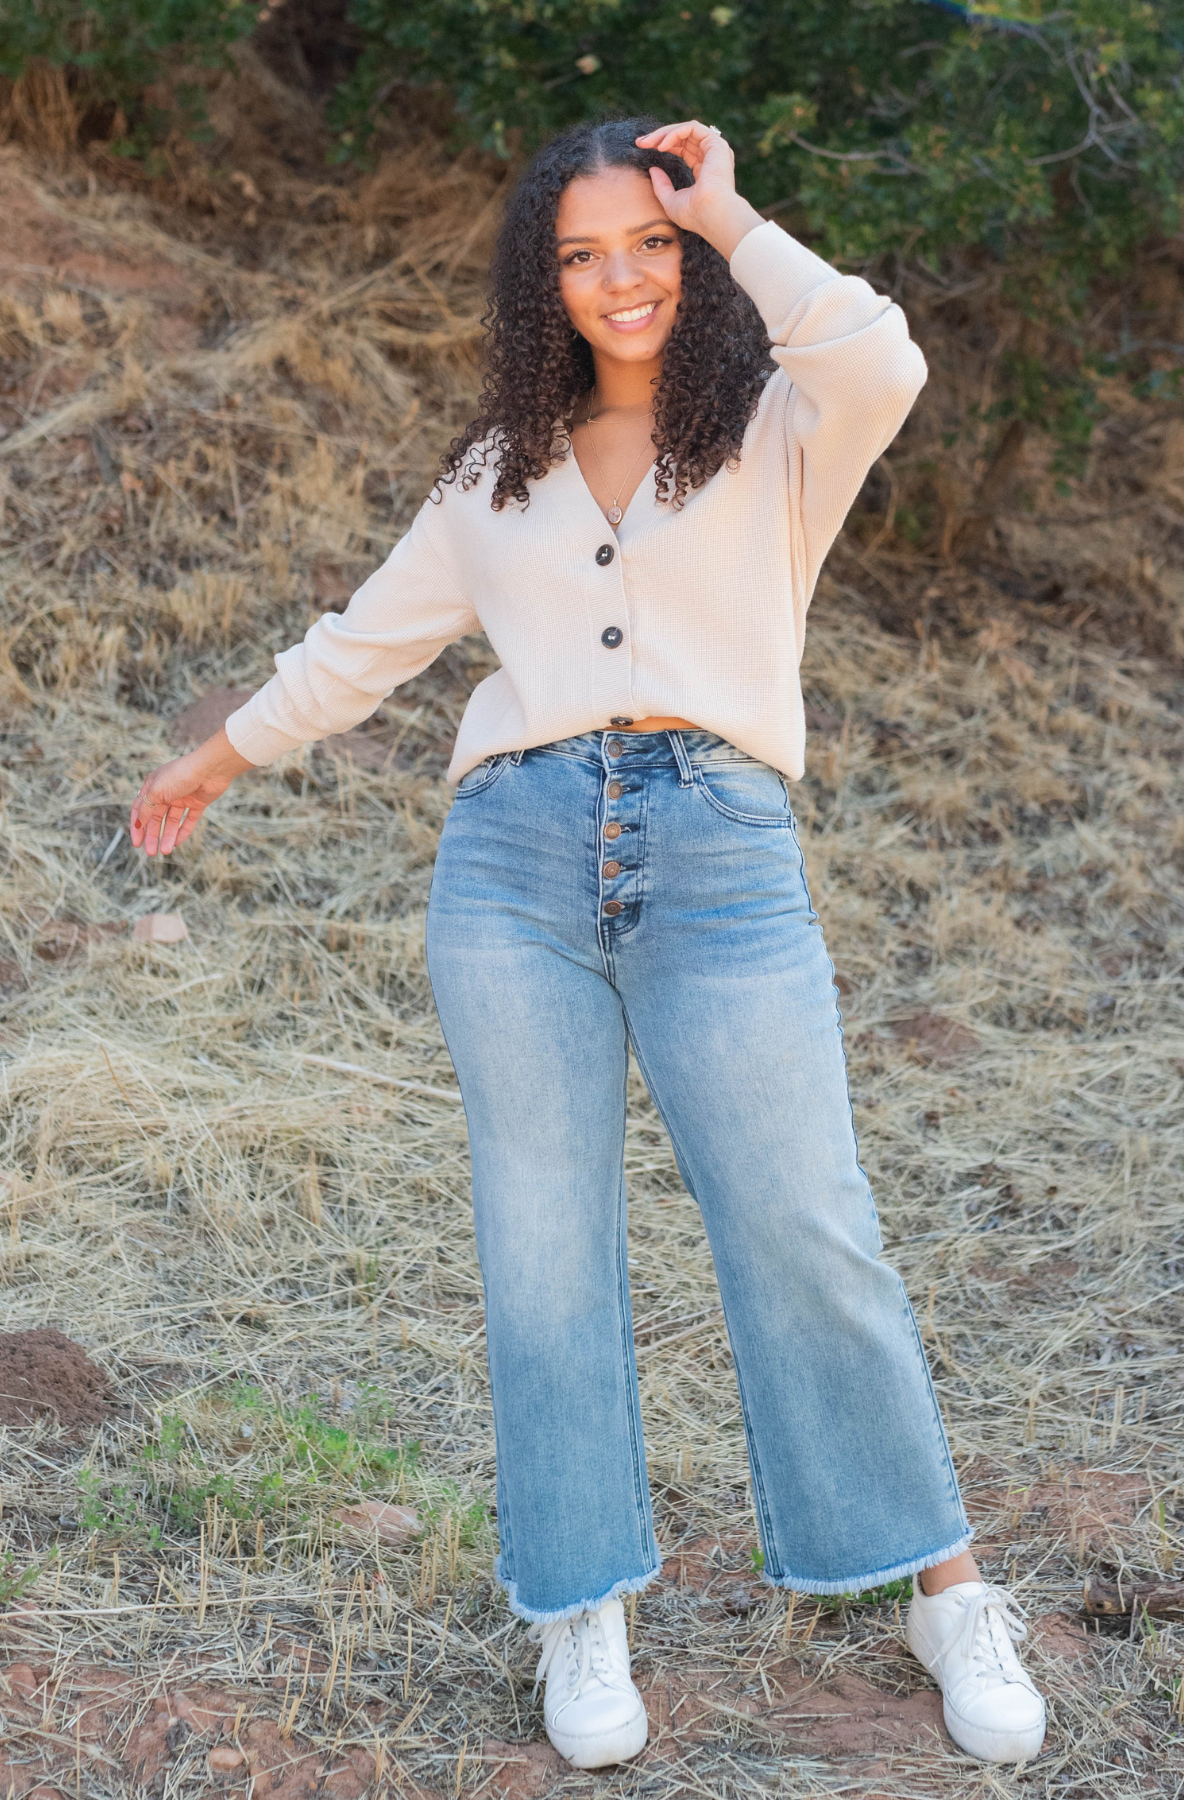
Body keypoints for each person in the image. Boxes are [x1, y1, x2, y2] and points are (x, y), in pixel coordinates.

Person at [131, 115, 1046, 1771]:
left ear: (688, 256)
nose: (618, 278)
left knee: (804, 1218)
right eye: (579, 253)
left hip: (718, 851)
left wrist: (740, 212)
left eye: (649, 242)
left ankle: (942, 1588)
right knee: (542, 1253)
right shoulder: (497, 476)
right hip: (511, 868)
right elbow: (358, 651)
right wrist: (210, 761)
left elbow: (884, 356)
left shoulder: (778, 428)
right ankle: (581, 1606)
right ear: (537, 282)